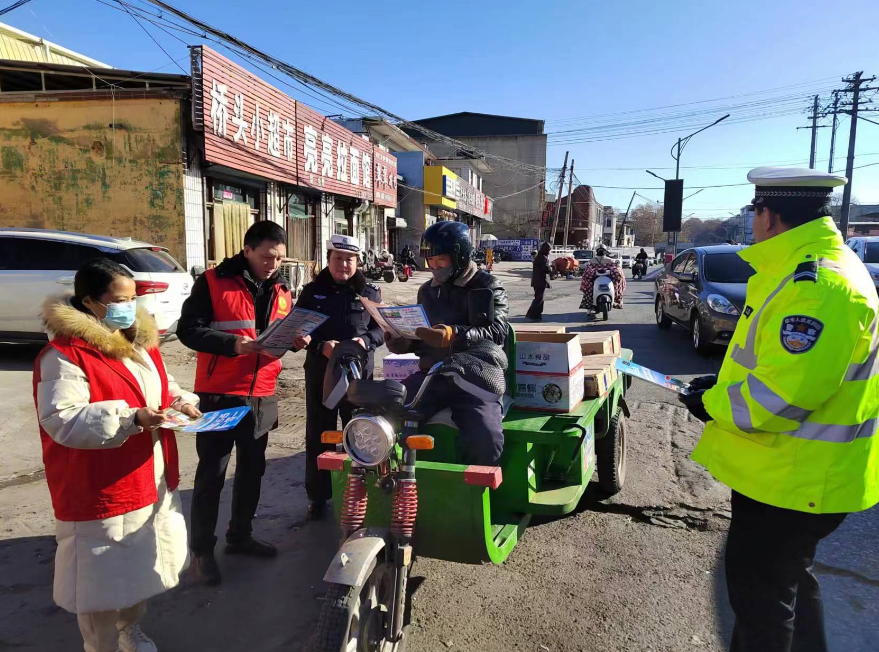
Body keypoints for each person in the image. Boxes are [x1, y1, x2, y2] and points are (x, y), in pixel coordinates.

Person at [679, 167, 879, 652]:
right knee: (788, 586)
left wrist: (710, 403)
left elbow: (780, 398)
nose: (753, 224)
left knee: (761, 606)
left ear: (769, 216)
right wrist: (718, 386)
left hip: (793, 479)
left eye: (755, 213)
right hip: (793, 475)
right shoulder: (808, 270)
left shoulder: (817, 287)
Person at [34, 258, 200, 652]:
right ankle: (101, 646)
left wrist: (181, 401)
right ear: (91, 302)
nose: (130, 306)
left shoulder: (137, 342)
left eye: (133, 297)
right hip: (100, 485)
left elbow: (163, 384)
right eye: (120, 299)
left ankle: (130, 629)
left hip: (146, 474)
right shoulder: (65, 355)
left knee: (137, 568)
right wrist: (132, 418)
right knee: (100, 581)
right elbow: (62, 419)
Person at [177, 220, 292, 586]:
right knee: (212, 475)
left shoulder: (282, 289)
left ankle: (240, 536)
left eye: (278, 258)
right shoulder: (212, 282)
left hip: (262, 394)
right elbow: (188, 330)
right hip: (220, 394)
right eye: (266, 256)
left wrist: (295, 340)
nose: (272, 264)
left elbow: (281, 332)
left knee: (252, 471)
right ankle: (201, 552)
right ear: (247, 250)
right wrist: (233, 345)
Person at [385, 220, 509, 465]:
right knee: (386, 416)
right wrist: (404, 343)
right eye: (429, 261)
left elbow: (497, 332)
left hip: (475, 376)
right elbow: (425, 338)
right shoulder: (427, 291)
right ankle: (397, 484)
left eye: (440, 260)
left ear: (460, 255)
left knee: (486, 439)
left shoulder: (487, 286)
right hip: (432, 375)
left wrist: (455, 334)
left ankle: (475, 494)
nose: (433, 267)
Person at [292, 234, 383, 519]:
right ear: (328, 260)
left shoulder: (369, 292)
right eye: (338, 259)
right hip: (322, 373)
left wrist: (364, 342)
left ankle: (362, 493)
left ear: (357, 261)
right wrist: (320, 346)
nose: (343, 264)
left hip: (358, 377)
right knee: (319, 435)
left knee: (359, 434)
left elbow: (382, 330)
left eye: (349, 259)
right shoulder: (312, 292)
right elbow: (299, 331)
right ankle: (318, 497)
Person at [579, 246, 625, 311]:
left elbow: (586, 274)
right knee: (589, 287)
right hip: (601, 279)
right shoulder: (610, 260)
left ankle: (589, 305)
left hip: (599, 279)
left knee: (589, 288)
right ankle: (616, 300)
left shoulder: (592, 261)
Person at [527, 242, 552, 321]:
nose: (549, 252)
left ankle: (531, 313)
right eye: (549, 250)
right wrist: (551, 268)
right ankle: (534, 315)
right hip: (540, 281)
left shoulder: (540, 256)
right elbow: (546, 269)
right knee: (539, 299)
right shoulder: (542, 257)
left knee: (538, 298)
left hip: (537, 281)